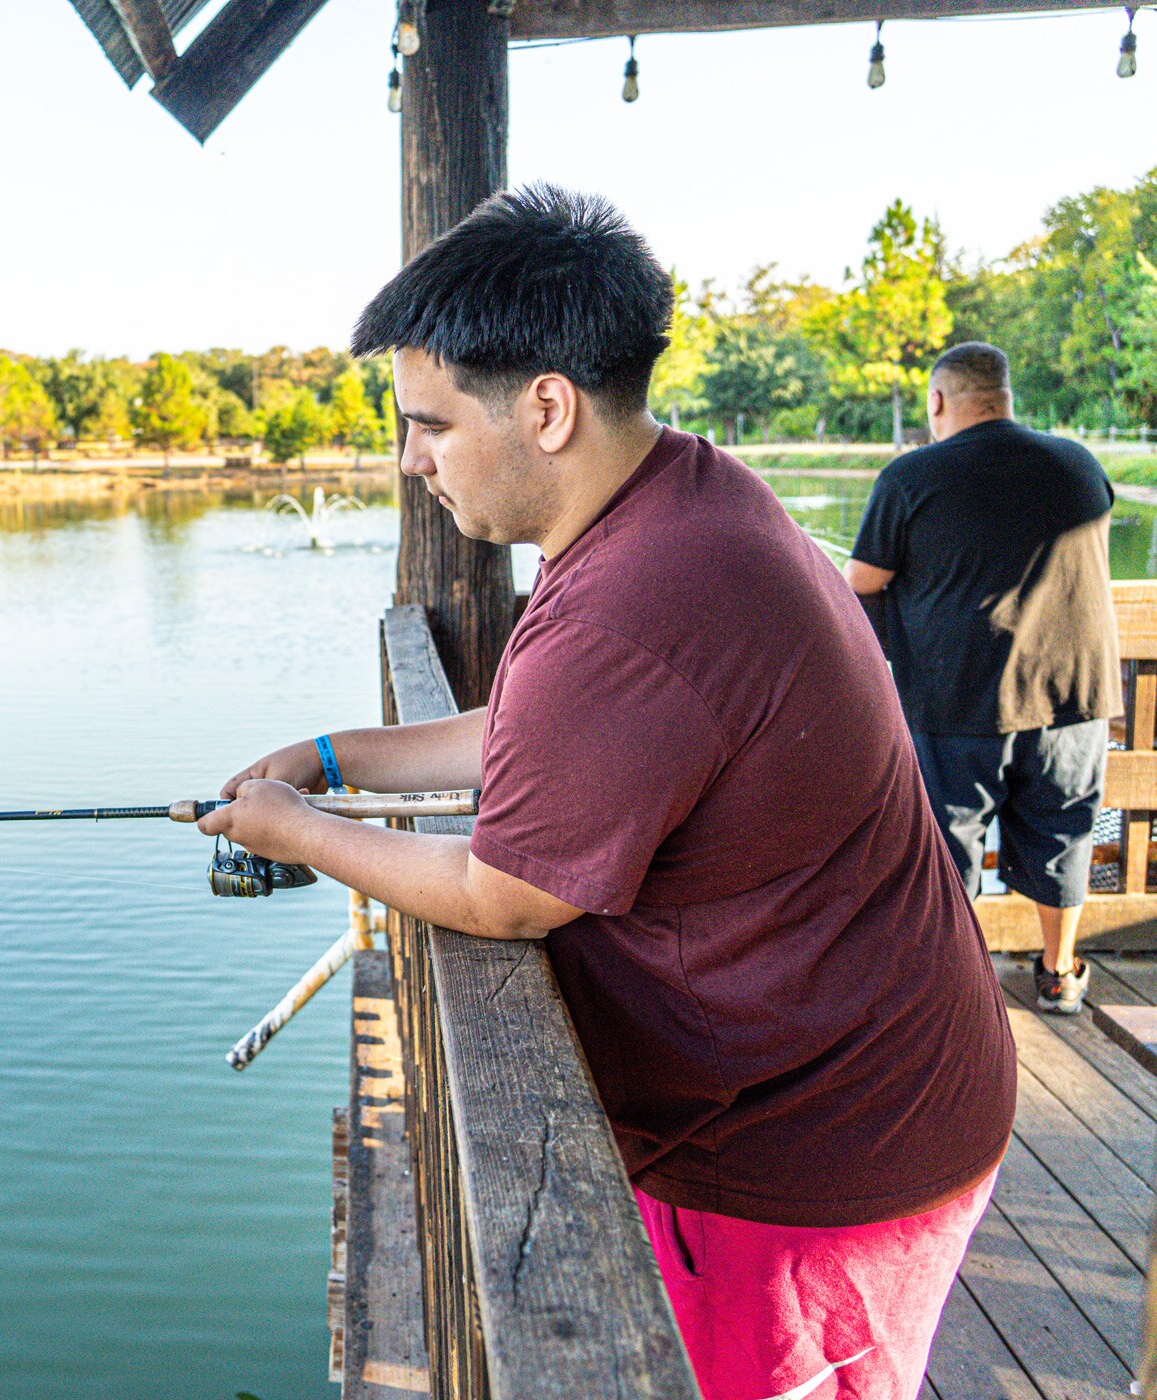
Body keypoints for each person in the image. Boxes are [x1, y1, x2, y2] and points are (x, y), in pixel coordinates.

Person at [197, 185, 1015, 1400]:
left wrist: (301, 833)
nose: (411, 459)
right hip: (860, 1086)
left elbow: (503, 894)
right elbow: (554, 731)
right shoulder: (679, 498)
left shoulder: (638, 596)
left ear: (547, 408)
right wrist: (337, 753)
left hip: (819, 1163)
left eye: (429, 424)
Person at [846, 343, 1120, 1015]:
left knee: (948, 848)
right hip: (1074, 695)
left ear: (938, 401)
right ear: (1005, 396)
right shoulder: (1078, 464)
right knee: (1065, 832)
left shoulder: (911, 476)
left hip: (958, 696)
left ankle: (953, 985)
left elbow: (861, 585)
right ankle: (1058, 972)